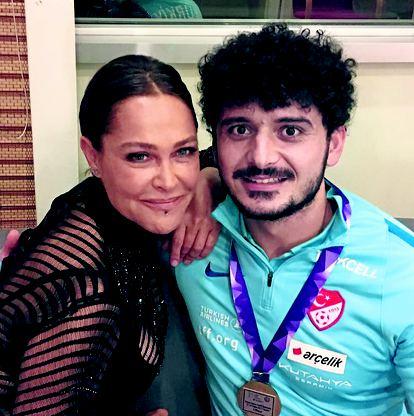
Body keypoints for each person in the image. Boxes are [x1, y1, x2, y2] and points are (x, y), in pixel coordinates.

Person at [175, 24, 414, 415]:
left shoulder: (402, 276)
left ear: (334, 143)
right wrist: (205, 178)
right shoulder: (191, 233)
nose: (261, 157)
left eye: (290, 130)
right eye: (239, 129)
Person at [0, 55, 218, 415]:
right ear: (94, 156)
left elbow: (220, 158)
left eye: (183, 151)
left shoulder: (107, 201)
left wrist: (207, 181)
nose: (169, 181)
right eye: (140, 157)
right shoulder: (87, 290)